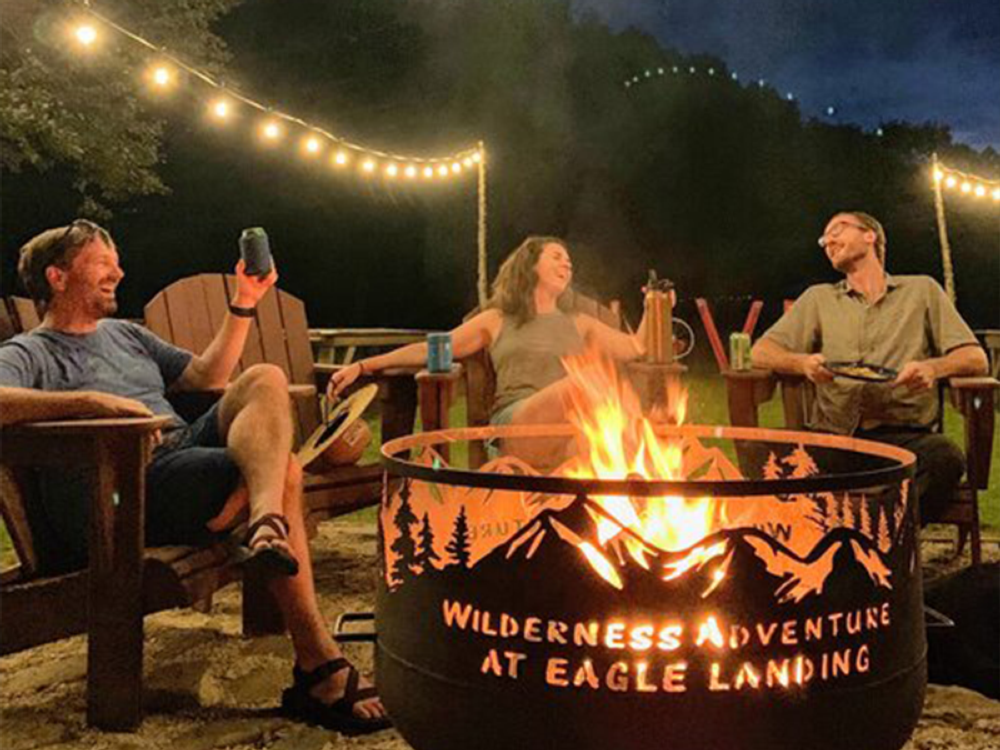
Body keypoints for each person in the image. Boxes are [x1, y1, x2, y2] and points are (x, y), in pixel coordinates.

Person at [0, 220, 391, 735]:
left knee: (264, 377)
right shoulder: (31, 352)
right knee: (287, 467)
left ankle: (265, 521)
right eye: (102, 262)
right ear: (57, 276)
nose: (117, 271)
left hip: (179, 458)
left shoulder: (126, 335)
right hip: (119, 493)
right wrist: (95, 403)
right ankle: (316, 662)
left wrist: (245, 299)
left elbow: (206, 379)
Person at [751, 211, 988, 524]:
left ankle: (871, 534)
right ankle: (874, 535)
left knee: (945, 459)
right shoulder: (819, 298)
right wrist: (803, 363)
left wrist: (932, 368)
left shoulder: (921, 291)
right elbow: (760, 351)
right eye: (824, 239)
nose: (828, 241)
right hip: (834, 439)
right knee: (760, 450)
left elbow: (975, 358)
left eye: (838, 229)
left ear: (870, 235)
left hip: (904, 442)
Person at [327, 236, 650, 463]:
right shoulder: (497, 319)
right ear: (530, 266)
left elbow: (635, 347)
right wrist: (364, 366)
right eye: (556, 256)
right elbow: (435, 350)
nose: (567, 264)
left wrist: (654, 304)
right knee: (590, 380)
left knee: (599, 442)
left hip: (568, 431)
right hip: (517, 427)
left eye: (569, 261)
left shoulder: (581, 322)